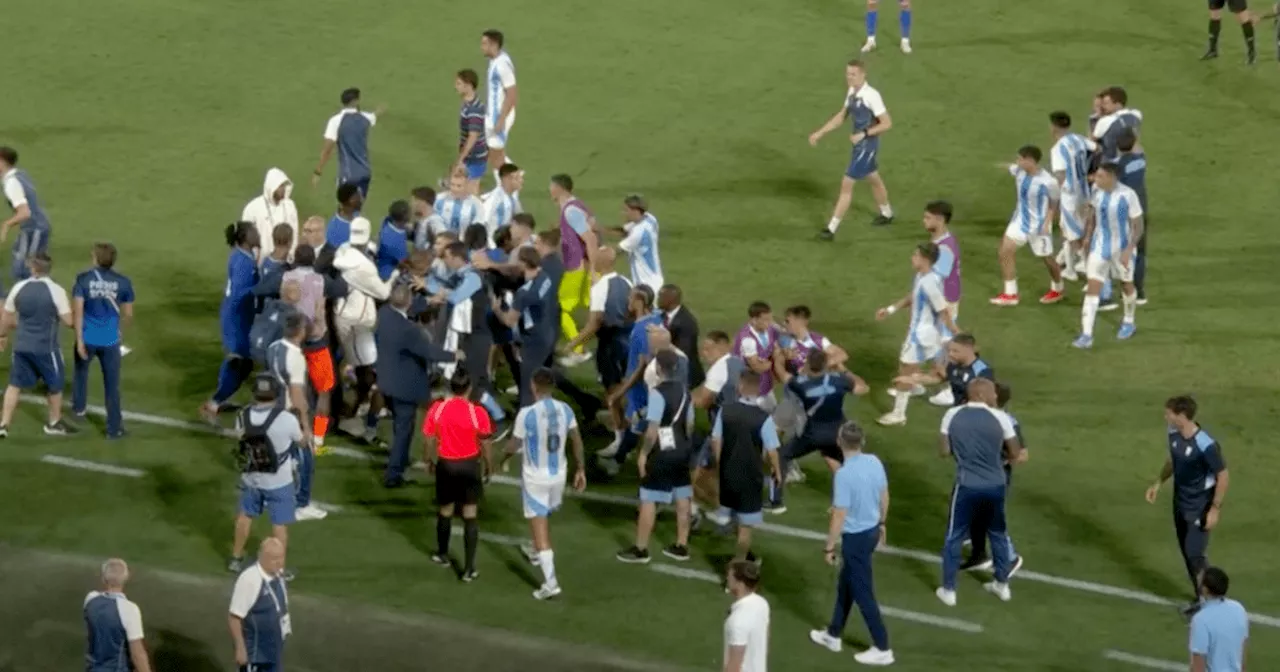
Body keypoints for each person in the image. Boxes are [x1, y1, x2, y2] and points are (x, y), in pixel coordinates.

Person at [808, 421, 894, 666]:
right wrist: (882, 524)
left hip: (855, 539)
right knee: (846, 584)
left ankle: (882, 646)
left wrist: (829, 546)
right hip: (872, 531)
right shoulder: (874, 462)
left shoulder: (843, 475)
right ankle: (833, 634)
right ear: (862, 441)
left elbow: (839, 515)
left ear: (839, 442)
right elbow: (884, 495)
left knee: (862, 591)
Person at [936, 378, 1024, 607]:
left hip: (967, 483)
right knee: (997, 533)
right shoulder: (1001, 417)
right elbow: (1015, 453)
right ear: (983, 395)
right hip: (996, 483)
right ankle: (1002, 586)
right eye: (993, 393)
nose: (996, 396)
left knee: (954, 535)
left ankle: (948, 590)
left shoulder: (951, 415)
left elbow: (944, 451)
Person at [505, 368, 587, 600]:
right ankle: (534, 549)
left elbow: (514, 445)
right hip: (558, 475)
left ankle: (550, 583)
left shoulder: (526, 414)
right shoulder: (566, 409)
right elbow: (576, 441)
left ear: (534, 386)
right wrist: (580, 469)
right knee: (544, 514)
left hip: (535, 478)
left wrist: (502, 457)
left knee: (540, 527)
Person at [1145, 395, 1231, 614]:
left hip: (1200, 505)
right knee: (1187, 553)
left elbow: (1223, 475)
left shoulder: (1206, 444)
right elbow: (1173, 460)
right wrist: (1158, 483)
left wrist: (1215, 509)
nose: (1166, 416)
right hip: (1180, 502)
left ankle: (1212, 604)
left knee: (1195, 554)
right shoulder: (1173, 433)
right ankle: (1201, 599)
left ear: (1181, 416)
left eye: (1169, 413)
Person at [617, 349, 696, 563]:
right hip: (682, 448)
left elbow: (652, 429)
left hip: (662, 450)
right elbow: (689, 424)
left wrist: (643, 453)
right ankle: (682, 545)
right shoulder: (686, 392)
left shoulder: (657, 394)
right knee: (682, 496)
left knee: (649, 498)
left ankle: (641, 548)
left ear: (659, 368)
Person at [376, 283, 457, 488]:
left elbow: (406, 306)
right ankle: (393, 475)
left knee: (399, 427)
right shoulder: (409, 330)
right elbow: (429, 352)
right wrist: (455, 355)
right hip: (404, 387)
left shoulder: (385, 313)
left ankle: (399, 462)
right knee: (404, 431)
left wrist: (428, 301)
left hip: (387, 380)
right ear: (409, 302)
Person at [767, 351, 868, 514]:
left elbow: (782, 375)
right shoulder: (839, 381)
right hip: (838, 435)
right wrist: (844, 369)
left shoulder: (799, 384)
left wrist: (778, 360)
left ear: (807, 364)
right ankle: (853, 503)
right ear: (826, 364)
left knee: (782, 456)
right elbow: (863, 388)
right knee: (848, 466)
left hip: (813, 435)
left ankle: (776, 502)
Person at [876, 242, 959, 427]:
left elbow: (943, 310)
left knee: (906, 370)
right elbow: (913, 296)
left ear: (925, 259)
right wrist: (891, 309)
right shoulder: (924, 276)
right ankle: (943, 389)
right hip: (927, 333)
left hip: (921, 335)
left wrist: (955, 332)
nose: (912, 258)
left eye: (915, 255)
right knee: (935, 368)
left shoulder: (929, 283)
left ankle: (899, 414)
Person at [811, 60, 895, 240]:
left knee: (847, 185)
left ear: (863, 75)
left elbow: (887, 123)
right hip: (859, 145)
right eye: (848, 74)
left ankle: (831, 229)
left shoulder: (871, 95)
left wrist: (864, 134)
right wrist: (820, 133)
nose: (849, 78)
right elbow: (841, 116)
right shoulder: (852, 92)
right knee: (873, 178)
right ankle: (887, 213)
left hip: (867, 145)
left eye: (853, 74)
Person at [423, 370, 494, 583]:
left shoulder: (438, 408)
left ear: (451, 387)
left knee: (445, 509)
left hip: (446, 465)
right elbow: (486, 443)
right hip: (469, 466)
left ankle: (442, 554)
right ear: (469, 388)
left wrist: (428, 460)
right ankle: (469, 569)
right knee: (469, 513)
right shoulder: (477, 412)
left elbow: (427, 438)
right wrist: (489, 467)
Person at [430, 241, 508, 433]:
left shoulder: (473, 278)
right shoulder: (463, 275)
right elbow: (442, 287)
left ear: (457, 258)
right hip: (470, 336)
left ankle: (499, 419)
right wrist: (430, 285)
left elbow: (456, 297)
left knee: (474, 383)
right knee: (470, 379)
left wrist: (441, 293)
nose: (445, 261)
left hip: (477, 338)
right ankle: (479, 415)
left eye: (447, 257)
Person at [229, 375, 302, 576]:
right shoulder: (287, 419)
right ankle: (278, 568)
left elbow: (240, 439)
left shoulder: (242, 416)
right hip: (279, 481)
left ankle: (236, 558)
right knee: (279, 525)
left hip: (251, 478)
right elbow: (302, 441)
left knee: (244, 517)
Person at [562, 248, 633, 447]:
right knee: (626, 384)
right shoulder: (626, 282)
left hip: (610, 344)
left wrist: (573, 344)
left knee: (612, 390)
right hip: (628, 339)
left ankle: (620, 437)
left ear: (600, 263)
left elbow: (594, 323)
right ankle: (629, 427)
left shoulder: (600, 288)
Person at [334, 217, 396, 442]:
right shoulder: (364, 267)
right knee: (368, 372)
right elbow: (383, 293)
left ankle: (349, 405)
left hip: (346, 315)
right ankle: (350, 413)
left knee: (353, 365)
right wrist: (394, 277)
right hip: (356, 322)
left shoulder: (344, 251)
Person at [711, 370, 781, 563]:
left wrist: (720, 463)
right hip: (750, 478)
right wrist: (777, 471)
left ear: (740, 387)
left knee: (733, 514)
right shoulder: (763, 418)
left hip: (728, 473)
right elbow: (772, 451)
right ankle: (738, 568)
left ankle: (742, 555)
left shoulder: (725, 411)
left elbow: (716, 441)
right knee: (745, 527)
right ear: (758, 390)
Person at [0, 252, 73, 437]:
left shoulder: (18, 288)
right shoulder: (56, 290)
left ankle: (4, 424)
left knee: (14, 384)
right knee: (55, 385)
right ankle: (54, 422)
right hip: (46, 348)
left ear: (33, 268)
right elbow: (69, 321)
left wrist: (2, 335)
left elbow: (6, 318)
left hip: (21, 346)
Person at [1073, 163, 1144, 349]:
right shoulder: (1097, 191)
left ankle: (1129, 321)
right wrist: (1087, 236)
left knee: (1126, 284)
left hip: (1122, 248)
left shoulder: (1128, 196)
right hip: (1100, 246)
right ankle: (1087, 334)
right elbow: (1093, 215)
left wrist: (1129, 249)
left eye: (1100, 176)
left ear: (1112, 177)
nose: (1096, 179)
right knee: (1093, 287)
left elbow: (1138, 225)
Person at [266, 314, 327, 522]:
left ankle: (274, 497)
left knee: (283, 459)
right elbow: (297, 395)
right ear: (300, 332)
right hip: (290, 414)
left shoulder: (273, 347)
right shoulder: (296, 358)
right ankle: (300, 505)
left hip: (274, 412)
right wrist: (305, 425)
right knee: (305, 459)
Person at [71, 242, 134, 439]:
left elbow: (78, 311)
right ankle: (113, 428)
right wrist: (120, 331)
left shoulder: (83, 279)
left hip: (88, 338)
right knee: (112, 385)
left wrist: (79, 339)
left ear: (95, 259)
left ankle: (79, 410)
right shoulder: (123, 282)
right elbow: (128, 314)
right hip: (110, 341)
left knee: (81, 373)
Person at [962, 382, 1026, 574]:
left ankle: (1010, 558)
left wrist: (999, 460)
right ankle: (979, 555)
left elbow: (1022, 455)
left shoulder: (1008, 422)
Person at [990, 145, 1064, 306]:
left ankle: (1058, 288)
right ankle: (1011, 294)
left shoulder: (1048, 182)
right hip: (1019, 222)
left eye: (1020, 159)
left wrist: (1048, 222)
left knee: (1047, 259)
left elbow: (1054, 203)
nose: (1017, 162)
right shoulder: (1019, 171)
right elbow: (1009, 167)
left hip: (1039, 227)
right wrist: (992, 164)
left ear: (1030, 161)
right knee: (1005, 251)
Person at [280, 245, 337, 450]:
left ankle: (291, 431)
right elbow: (341, 290)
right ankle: (319, 437)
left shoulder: (286, 277)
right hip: (316, 342)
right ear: (313, 260)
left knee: (292, 387)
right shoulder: (321, 280)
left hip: (292, 341)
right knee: (324, 391)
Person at [201, 223, 260, 423]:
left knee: (245, 364)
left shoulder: (244, 255)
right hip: (237, 318)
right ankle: (214, 403)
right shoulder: (243, 261)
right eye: (254, 232)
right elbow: (238, 294)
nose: (258, 234)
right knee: (237, 361)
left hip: (239, 315)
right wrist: (262, 288)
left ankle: (220, 398)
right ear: (245, 238)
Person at [775, 304, 848, 454]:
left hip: (809, 399)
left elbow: (842, 355)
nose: (785, 324)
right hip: (793, 394)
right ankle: (781, 463)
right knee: (777, 429)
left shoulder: (818, 340)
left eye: (788, 321)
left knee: (798, 434)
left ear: (800, 322)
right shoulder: (785, 340)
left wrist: (818, 365)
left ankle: (784, 465)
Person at [549, 173, 600, 366]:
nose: (549, 190)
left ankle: (578, 350)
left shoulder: (571, 211)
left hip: (576, 265)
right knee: (591, 304)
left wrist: (593, 269)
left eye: (551, 186)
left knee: (562, 308)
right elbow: (592, 223)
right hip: (582, 263)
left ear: (559, 189)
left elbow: (590, 238)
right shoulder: (575, 205)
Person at [229, 537, 291, 672]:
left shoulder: (278, 575)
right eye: (274, 558)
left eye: (281, 557)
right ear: (261, 557)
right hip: (256, 654)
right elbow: (235, 617)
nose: (279, 563)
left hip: (273, 650)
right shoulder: (249, 579)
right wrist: (240, 649)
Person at [84, 558, 153, 672]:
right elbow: (137, 654)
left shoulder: (90, 599)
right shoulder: (129, 609)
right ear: (126, 578)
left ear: (103, 578)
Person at [1048, 112, 1093, 281]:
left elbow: (1060, 175)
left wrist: (1057, 196)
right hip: (1084, 191)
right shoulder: (1079, 139)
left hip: (1070, 195)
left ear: (1053, 126)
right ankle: (1076, 265)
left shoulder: (1058, 148)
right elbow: (1097, 149)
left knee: (1069, 232)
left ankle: (1079, 269)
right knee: (1081, 228)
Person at [313, 87, 381, 197]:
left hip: (348, 174)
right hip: (365, 173)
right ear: (356, 101)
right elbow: (374, 116)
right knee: (358, 206)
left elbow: (327, 149)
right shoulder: (365, 118)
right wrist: (380, 109)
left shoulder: (336, 121)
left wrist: (318, 172)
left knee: (345, 208)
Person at [0, 146, 53, 286]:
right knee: (24, 260)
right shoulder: (20, 174)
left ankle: (29, 299)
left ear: (2, 162)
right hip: (38, 225)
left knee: (26, 269)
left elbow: (25, 212)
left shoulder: (11, 183)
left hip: (34, 228)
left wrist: (6, 225)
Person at [897, 332, 993, 408]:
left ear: (969, 350)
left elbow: (988, 399)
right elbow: (939, 379)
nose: (950, 354)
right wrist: (913, 380)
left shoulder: (982, 371)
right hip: (960, 411)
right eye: (949, 350)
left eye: (955, 351)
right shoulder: (954, 364)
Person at [1113, 129, 1149, 304]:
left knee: (1125, 251)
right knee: (1140, 251)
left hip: (1125, 213)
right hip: (1142, 209)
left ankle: (1127, 290)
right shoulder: (1141, 160)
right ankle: (1140, 291)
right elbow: (1139, 149)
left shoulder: (1117, 165)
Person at [1189, 567, 1249, 671]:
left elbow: (1198, 665)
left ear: (1205, 589)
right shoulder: (1239, 609)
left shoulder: (1201, 619)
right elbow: (1242, 652)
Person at [480, 29, 518, 182]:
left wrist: (501, 120)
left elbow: (512, 93)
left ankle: (509, 188)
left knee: (496, 158)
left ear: (494, 45)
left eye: (484, 43)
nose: (481, 47)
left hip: (500, 116)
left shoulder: (502, 65)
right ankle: (513, 179)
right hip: (494, 115)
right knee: (494, 154)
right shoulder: (496, 60)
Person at [731, 301, 781, 410]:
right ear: (754, 320)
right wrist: (773, 361)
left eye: (770, 318)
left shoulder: (770, 328)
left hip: (765, 384)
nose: (770, 322)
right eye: (765, 320)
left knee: (773, 414)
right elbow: (757, 368)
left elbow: (785, 337)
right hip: (749, 388)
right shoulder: (747, 339)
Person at [723, 560, 770, 672]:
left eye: (730, 577)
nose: (727, 579)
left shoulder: (737, 622)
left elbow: (734, 666)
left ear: (740, 584)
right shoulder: (762, 603)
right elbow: (765, 637)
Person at [242, 168, 299, 261]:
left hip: (287, 260)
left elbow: (294, 231)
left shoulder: (290, 205)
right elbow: (246, 238)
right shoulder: (253, 208)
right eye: (280, 186)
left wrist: (292, 253)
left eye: (284, 186)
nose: (283, 189)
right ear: (271, 187)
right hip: (261, 261)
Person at [924, 199, 962, 333]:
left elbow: (938, 278)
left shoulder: (945, 248)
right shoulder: (939, 239)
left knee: (944, 338)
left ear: (940, 220)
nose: (924, 221)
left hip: (945, 298)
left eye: (928, 218)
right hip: (942, 296)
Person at [658, 284, 703, 386]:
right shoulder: (664, 315)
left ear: (670, 299)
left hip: (686, 375)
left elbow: (683, 353)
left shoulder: (686, 322)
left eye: (661, 297)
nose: (658, 300)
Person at [617, 194, 664, 293]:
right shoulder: (650, 219)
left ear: (635, 211)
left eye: (626, 210)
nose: (623, 213)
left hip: (645, 284)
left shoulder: (638, 233)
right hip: (655, 279)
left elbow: (615, 252)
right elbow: (624, 230)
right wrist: (599, 229)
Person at [454, 69, 489, 194]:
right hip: (473, 155)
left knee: (471, 193)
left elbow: (473, 137)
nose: (455, 86)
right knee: (468, 190)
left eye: (458, 83)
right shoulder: (469, 103)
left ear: (468, 86)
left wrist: (460, 159)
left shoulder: (474, 109)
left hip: (475, 156)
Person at [1091, 87, 1144, 163]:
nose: (1103, 107)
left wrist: (1097, 116)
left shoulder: (1105, 121)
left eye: (1106, 103)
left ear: (1118, 105)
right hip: (1134, 160)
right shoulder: (1136, 114)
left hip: (1111, 166)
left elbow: (1091, 142)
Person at [480, 163, 523, 242]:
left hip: (504, 243)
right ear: (506, 180)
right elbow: (482, 221)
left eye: (520, 177)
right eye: (517, 178)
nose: (521, 181)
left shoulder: (512, 198)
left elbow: (521, 219)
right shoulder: (495, 198)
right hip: (493, 244)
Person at [435, 173, 485, 237]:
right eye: (452, 185)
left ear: (467, 186)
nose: (455, 189)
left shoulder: (476, 204)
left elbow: (477, 228)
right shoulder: (438, 199)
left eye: (459, 186)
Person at [375, 200, 413, 281]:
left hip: (381, 262)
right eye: (409, 212)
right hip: (387, 276)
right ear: (405, 217)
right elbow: (405, 263)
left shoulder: (387, 221)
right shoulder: (396, 243)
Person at [326, 183, 365, 248]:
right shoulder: (336, 231)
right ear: (352, 200)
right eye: (358, 196)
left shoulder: (355, 214)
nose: (361, 199)